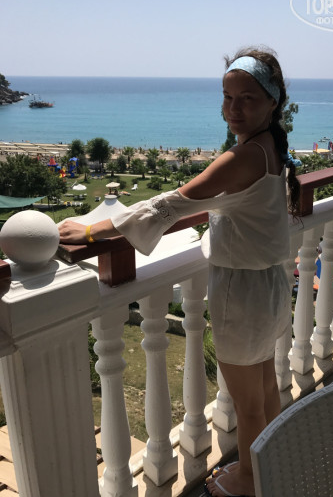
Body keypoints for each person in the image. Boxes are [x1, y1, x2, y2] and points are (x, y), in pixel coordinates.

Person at [59, 46, 301, 497]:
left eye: (247, 98)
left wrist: (91, 231)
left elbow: (171, 204)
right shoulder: (270, 148)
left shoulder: (242, 157)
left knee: (248, 403)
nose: (233, 108)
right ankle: (270, 467)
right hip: (269, 286)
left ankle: (249, 481)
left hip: (241, 293)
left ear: (272, 102)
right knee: (266, 390)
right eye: (227, 97)